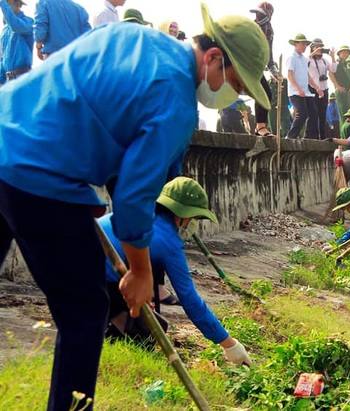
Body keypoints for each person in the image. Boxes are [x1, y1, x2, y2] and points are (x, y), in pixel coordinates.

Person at [0, 6, 269, 410]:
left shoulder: (132, 37)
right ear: (213, 57)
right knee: (87, 312)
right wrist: (140, 272)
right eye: (232, 82)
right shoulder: (177, 100)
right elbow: (132, 198)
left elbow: (98, 111)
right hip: (38, 173)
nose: (231, 94)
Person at [100, 177, 252, 365]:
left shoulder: (140, 211)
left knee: (154, 326)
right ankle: (115, 363)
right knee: (144, 335)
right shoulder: (168, 242)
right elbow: (190, 301)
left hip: (75, 261)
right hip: (95, 278)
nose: (193, 223)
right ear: (182, 214)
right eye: (194, 218)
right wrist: (229, 344)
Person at [285, 33, 323, 139]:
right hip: (295, 92)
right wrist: (298, 88)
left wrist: (316, 87)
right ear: (296, 44)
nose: (304, 46)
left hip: (305, 91)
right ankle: (291, 136)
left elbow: (307, 76)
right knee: (302, 114)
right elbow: (290, 74)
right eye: (302, 44)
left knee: (314, 112)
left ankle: (309, 136)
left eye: (305, 44)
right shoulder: (292, 58)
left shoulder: (303, 59)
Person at [249, 2, 277, 137]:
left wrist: (275, 72)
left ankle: (260, 127)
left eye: (260, 14)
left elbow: (269, 56)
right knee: (263, 92)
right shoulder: (249, 26)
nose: (257, 16)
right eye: (257, 13)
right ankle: (260, 127)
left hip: (256, 68)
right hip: (243, 64)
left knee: (266, 94)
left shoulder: (269, 30)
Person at [307, 38, 336, 140]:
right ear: (312, 47)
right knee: (313, 113)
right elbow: (304, 64)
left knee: (322, 113)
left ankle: (322, 136)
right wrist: (312, 53)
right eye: (316, 46)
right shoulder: (309, 59)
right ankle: (312, 136)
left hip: (324, 89)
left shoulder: (324, 61)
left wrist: (332, 57)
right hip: (313, 88)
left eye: (321, 47)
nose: (319, 48)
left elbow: (333, 69)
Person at [1, 0, 33, 84]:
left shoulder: (28, 22)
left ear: (18, 4)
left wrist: (2, 2)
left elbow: (16, 26)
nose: (6, 6)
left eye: (7, 3)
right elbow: (3, 56)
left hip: (23, 77)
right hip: (8, 80)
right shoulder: (5, 29)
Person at [331, 45, 350, 123]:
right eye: (344, 52)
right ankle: (343, 133)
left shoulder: (347, 65)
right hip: (340, 91)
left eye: (347, 53)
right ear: (339, 54)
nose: (346, 54)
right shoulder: (337, 62)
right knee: (343, 113)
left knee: (348, 112)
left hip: (347, 91)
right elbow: (330, 73)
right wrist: (337, 86)